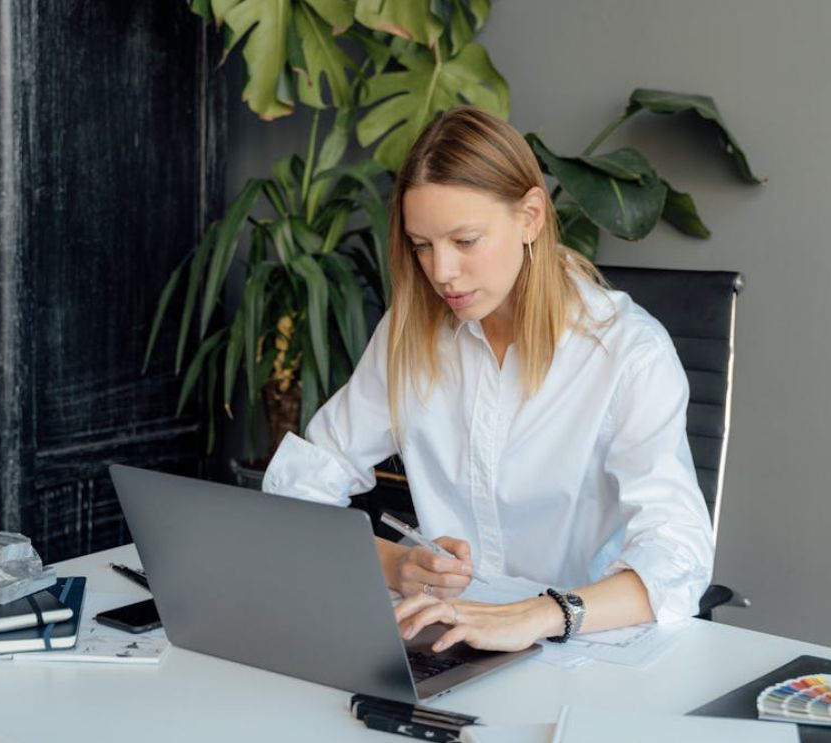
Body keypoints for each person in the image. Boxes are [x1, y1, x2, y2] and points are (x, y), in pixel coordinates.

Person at [262, 106, 713, 654]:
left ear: (530, 217)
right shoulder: (411, 335)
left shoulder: (627, 353)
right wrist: (396, 563)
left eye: (465, 241)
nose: (442, 272)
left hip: (582, 646)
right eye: (422, 246)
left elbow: (677, 556)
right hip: (441, 637)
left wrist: (536, 615)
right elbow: (303, 482)